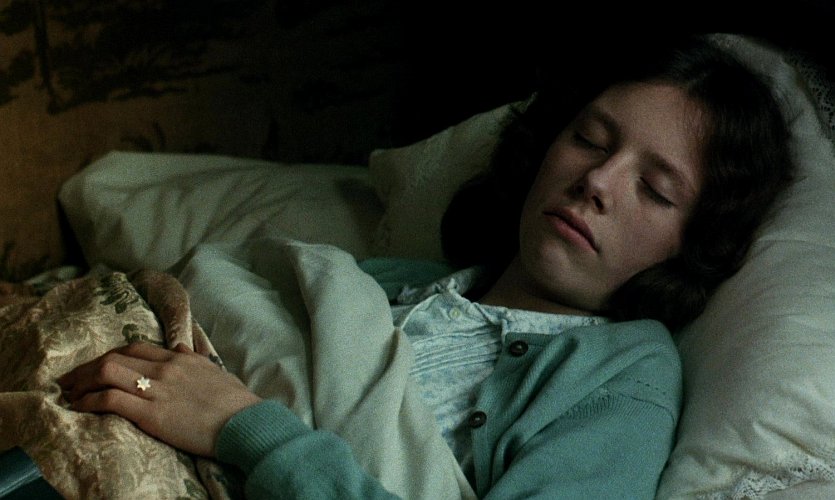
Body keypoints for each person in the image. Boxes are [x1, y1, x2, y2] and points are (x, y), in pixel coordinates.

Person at [57, 33, 795, 499]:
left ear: (692, 243)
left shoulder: (623, 381)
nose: (597, 182)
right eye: (590, 141)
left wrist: (244, 429)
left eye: (654, 189)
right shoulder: (393, 283)